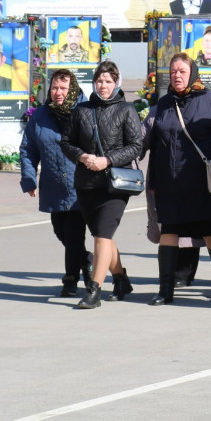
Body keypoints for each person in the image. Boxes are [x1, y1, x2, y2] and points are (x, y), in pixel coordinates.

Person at [146, 53, 211, 305]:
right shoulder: (163, 103)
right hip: (169, 183)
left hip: (201, 183)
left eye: (182, 71)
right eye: (173, 71)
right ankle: (166, 289)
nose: (177, 76)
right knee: (169, 232)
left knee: (210, 231)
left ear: (192, 73)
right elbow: (149, 136)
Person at [59, 61, 143, 309]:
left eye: (108, 81)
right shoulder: (81, 110)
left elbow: (136, 146)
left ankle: (94, 289)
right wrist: (82, 157)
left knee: (103, 234)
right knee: (101, 236)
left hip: (115, 185)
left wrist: (107, 160)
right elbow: (66, 141)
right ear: (94, 83)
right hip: (86, 183)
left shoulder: (127, 110)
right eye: (99, 81)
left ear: (116, 83)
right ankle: (121, 279)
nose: (103, 85)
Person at [21, 69, 91, 297]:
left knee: (73, 234)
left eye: (63, 88)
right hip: (52, 185)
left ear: (72, 89)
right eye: (54, 88)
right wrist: (29, 179)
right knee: (60, 231)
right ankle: (88, 261)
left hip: (79, 184)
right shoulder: (40, 115)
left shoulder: (85, 112)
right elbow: (28, 149)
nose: (58, 93)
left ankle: (71, 279)